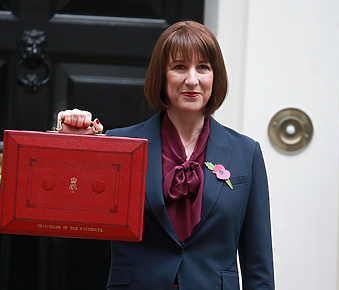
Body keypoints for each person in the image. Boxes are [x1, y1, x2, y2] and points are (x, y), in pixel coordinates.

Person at [58, 20, 274, 290]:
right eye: (179, 67)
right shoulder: (120, 145)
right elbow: (64, 206)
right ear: (162, 75)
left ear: (215, 76)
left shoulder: (246, 152)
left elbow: (259, 265)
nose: (192, 80)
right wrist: (70, 144)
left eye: (203, 67)